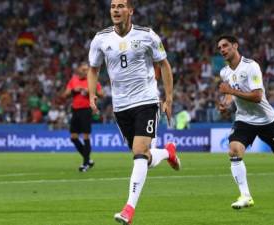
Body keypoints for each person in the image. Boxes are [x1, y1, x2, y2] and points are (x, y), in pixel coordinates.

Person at [87, 0, 181, 224]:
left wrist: (168, 98)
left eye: (120, 6)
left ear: (130, 11)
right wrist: (92, 94)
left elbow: (164, 65)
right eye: (112, 6)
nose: (116, 10)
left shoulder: (147, 35)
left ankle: (129, 208)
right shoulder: (101, 39)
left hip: (146, 101)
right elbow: (93, 69)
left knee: (139, 152)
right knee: (144, 157)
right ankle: (168, 152)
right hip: (121, 107)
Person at [216, 35, 274, 210]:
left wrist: (230, 91)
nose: (222, 49)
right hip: (244, 119)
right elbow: (230, 94)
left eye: (225, 46)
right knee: (234, 151)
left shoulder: (251, 66)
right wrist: (226, 103)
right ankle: (245, 195)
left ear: (235, 46)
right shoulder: (224, 72)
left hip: (266, 119)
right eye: (220, 47)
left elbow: (257, 96)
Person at [62, 62, 104, 172]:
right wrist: (73, 90)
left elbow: (102, 94)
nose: (86, 71)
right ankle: (88, 159)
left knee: (86, 137)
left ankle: (85, 164)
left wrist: (90, 91)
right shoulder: (73, 80)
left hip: (86, 110)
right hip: (75, 110)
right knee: (73, 137)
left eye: (87, 69)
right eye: (84, 69)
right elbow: (65, 95)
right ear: (79, 70)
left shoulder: (92, 80)